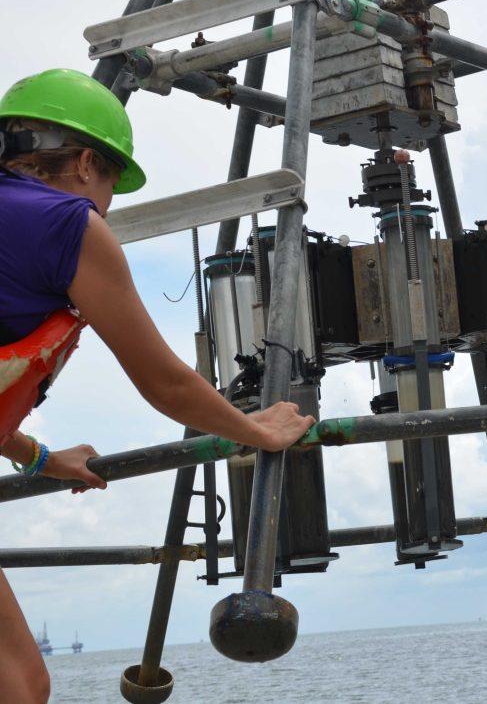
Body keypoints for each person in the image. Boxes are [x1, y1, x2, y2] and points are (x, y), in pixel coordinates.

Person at [0, 69, 315, 704]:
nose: (107, 206)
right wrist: (257, 430)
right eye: (113, 184)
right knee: (19, 685)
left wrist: (34, 457)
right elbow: (164, 382)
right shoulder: (68, 224)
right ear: (89, 162)